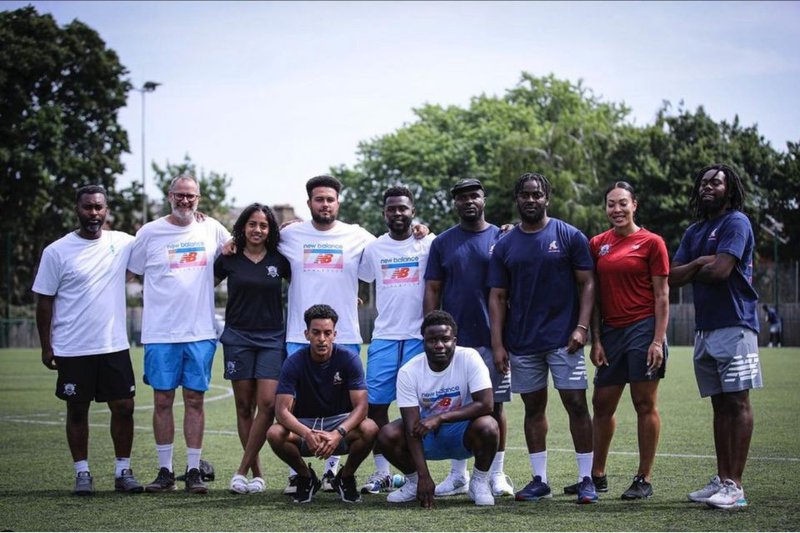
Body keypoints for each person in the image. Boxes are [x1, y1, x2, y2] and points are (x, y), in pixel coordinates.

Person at [488, 172, 597, 504]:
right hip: (522, 343)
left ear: (547, 198)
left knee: (577, 405)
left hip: (565, 340)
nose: (531, 200)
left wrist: (581, 327)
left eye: (537, 195)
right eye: (525, 195)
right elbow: (496, 297)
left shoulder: (568, 235)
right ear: (517, 199)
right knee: (532, 408)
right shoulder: (505, 244)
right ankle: (540, 479)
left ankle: (586, 479)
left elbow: (588, 283)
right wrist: (498, 343)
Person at [32, 185, 143, 495]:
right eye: (88, 207)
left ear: (106, 210)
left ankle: (123, 471)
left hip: (113, 345)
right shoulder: (56, 251)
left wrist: (193, 218)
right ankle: (82, 473)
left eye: (99, 207)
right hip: (73, 347)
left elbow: (157, 241)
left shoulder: (122, 242)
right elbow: (44, 302)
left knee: (124, 407)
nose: (94, 213)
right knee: (77, 410)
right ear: (77, 209)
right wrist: (46, 345)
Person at [128, 174, 231, 494]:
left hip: (199, 330)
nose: (185, 201)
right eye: (180, 195)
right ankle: (165, 472)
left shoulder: (211, 227)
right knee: (161, 400)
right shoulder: (149, 232)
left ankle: (193, 469)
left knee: (195, 400)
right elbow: (129, 270)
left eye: (191, 196)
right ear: (169, 195)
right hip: (160, 332)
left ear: (199, 198)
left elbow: (238, 245)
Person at [669, 163, 763, 510]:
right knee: (719, 405)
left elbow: (722, 270)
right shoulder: (695, 230)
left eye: (716, 182)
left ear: (730, 188)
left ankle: (735, 486)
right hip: (705, 329)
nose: (707, 187)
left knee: (737, 403)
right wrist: (696, 264)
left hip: (735, 324)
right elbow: (672, 277)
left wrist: (695, 267)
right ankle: (722, 480)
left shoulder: (736, 222)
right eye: (704, 182)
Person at [276, 174, 376, 492]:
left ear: (338, 202)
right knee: (299, 405)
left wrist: (420, 231)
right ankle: (301, 472)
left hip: (343, 333)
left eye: (330, 199)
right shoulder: (290, 235)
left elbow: (391, 247)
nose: (325, 204)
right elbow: (255, 238)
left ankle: (334, 470)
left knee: (342, 405)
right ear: (309, 203)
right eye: (319, 199)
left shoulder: (357, 235)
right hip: (299, 333)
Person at [423, 178, 514, 498]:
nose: (468, 201)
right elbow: (433, 289)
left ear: (484, 199)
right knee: (455, 405)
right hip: (453, 344)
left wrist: (501, 340)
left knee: (496, 407)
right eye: (461, 197)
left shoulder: (503, 237)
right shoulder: (443, 243)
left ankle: (496, 474)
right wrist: (430, 332)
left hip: (493, 339)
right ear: (455, 204)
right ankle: (458, 474)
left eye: (474, 195)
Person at [578, 181, 669, 500]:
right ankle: (596, 475)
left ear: (635, 205)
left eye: (622, 203)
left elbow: (662, 295)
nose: (616, 209)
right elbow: (595, 296)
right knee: (601, 404)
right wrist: (597, 340)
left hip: (643, 329)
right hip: (611, 332)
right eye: (611, 204)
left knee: (644, 403)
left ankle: (643, 478)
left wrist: (657, 341)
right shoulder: (597, 244)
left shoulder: (652, 242)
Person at [357, 186, 435, 494]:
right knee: (376, 406)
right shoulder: (375, 249)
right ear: (384, 213)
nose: (398, 213)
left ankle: (456, 471)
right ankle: (383, 472)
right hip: (385, 337)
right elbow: (358, 279)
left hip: (419, 339)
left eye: (403, 208)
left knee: (427, 406)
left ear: (413, 211)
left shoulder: (429, 242)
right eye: (392, 209)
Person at [379, 310, 499, 507]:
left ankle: (479, 482)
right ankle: (413, 483)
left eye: (445, 339)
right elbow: (411, 429)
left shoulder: (469, 357)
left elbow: (486, 404)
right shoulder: (409, 371)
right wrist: (423, 476)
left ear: (454, 340)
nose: (439, 345)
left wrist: (440, 418)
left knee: (489, 425)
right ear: (423, 342)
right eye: (432, 340)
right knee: (387, 434)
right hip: (427, 436)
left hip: (461, 434)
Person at [266, 304, 378, 504]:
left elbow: (362, 407)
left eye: (327, 333)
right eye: (316, 333)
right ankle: (306, 478)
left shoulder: (348, 358)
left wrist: (338, 433)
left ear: (335, 334)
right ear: (306, 334)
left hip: (339, 424)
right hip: (305, 425)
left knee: (370, 428)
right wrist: (306, 433)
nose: (322, 339)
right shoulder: (294, 362)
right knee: (275, 433)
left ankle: (345, 478)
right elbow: (281, 411)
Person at [214, 203, 289, 494]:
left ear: (270, 230)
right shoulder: (227, 258)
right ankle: (257, 475)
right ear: (243, 227)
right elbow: (200, 285)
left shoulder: (280, 260)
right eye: (252, 224)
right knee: (244, 407)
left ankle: (241, 470)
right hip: (237, 338)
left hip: (272, 339)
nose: (257, 230)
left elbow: (310, 283)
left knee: (267, 405)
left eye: (264, 225)